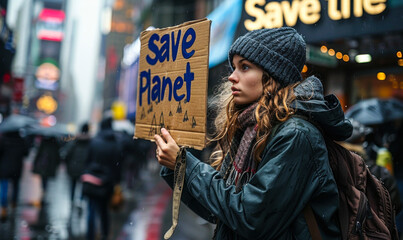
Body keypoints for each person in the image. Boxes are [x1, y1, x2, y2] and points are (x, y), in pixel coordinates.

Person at [154, 27, 353, 239]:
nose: (231, 77)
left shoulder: (297, 135)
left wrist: (184, 164)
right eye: (234, 67)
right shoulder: (252, 126)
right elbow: (220, 211)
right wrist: (175, 167)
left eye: (245, 67)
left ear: (272, 76)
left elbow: (251, 218)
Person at [340, 119, 402, 214]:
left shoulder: (334, 169)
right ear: (361, 140)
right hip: (378, 226)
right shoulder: (379, 172)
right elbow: (395, 205)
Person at [84, 117, 122, 240]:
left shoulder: (94, 141)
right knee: (104, 210)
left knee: (91, 210)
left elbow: (87, 161)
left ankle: (90, 235)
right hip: (107, 182)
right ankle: (104, 235)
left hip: (92, 180)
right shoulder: (115, 143)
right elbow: (117, 165)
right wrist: (117, 181)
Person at [0, 131, 30, 220]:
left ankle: (4, 208)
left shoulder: (3, 140)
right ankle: (13, 204)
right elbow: (26, 153)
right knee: (15, 187)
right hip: (16, 168)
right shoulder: (21, 141)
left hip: (4, 168)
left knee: (4, 188)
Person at [64, 122, 91, 202]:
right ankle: (80, 201)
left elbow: (67, 153)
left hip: (73, 167)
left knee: (73, 185)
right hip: (85, 168)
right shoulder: (90, 142)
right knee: (83, 186)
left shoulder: (75, 140)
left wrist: (68, 164)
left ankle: (72, 200)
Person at [32, 135, 61, 206]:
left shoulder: (44, 142)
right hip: (50, 166)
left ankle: (43, 195)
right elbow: (57, 156)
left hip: (43, 166)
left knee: (43, 182)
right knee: (46, 182)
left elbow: (39, 153)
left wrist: (35, 163)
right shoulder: (55, 143)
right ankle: (44, 196)